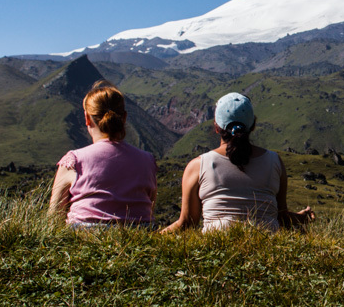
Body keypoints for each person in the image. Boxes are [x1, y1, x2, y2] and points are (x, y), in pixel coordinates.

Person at [161, 92, 314, 234]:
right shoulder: (275, 161)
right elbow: (281, 217)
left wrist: (152, 239)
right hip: (266, 253)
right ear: (253, 126)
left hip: (218, 253)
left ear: (216, 127)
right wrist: (301, 217)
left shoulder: (198, 165)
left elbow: (187, 223)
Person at [48, 80, 157, 226]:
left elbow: (53, 218)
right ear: (124, 117)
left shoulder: (73, 161)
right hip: (141, 238)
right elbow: (150, 207)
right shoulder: (148, 160)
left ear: (87, 118)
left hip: (83, 238)